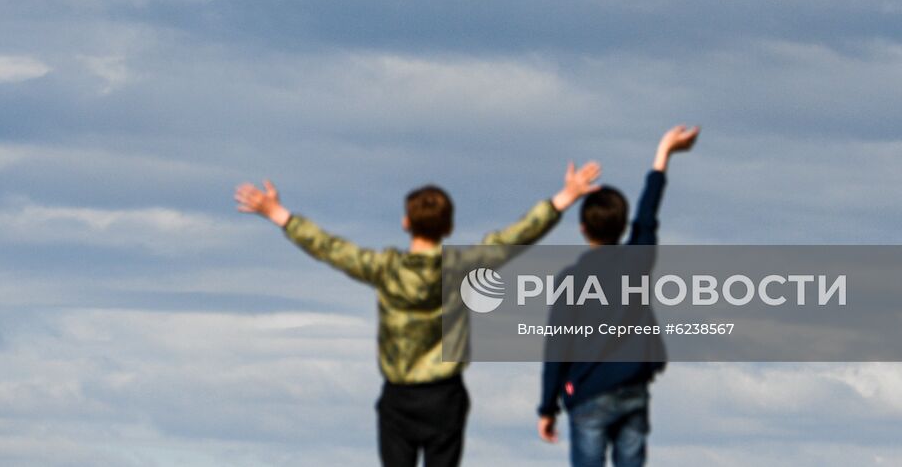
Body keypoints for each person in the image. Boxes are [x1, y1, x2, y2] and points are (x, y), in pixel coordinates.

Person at [235, 159, 603, 467]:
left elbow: (330, 248)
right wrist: (565, 198)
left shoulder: (384, 268)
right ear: (449, 227)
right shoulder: (462, 267)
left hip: (399, 398)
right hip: (445, 396)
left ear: (406, 222)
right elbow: (516, 237)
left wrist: (278, 214)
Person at [537, 125, 701, 467]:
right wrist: (663, 154)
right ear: (623, 226)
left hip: (588, 392)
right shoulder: (637, 261)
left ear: (583, 228)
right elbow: (648, 215)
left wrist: (547, 407)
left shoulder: (572, 280)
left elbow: (557, 346)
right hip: (632, 388)